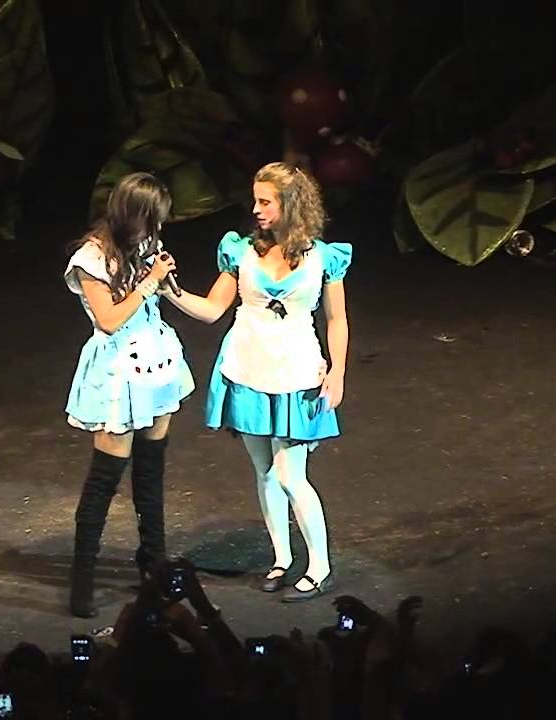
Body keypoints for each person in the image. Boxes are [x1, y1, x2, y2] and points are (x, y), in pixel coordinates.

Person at [162, 162, 351, 602]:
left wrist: (338, 370)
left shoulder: (324, 258)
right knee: (264, 471)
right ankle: (281, 558)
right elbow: (213, 310)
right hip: (247, 369)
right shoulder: (241, 251)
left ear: (291, 204)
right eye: (255, 200)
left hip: (297, 373)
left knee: (290, 475)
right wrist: (169, 290)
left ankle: (320, 568)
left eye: (266, 201)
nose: (256, 209)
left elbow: (337, 319)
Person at [63, 172, 195, 618]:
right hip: (118, 373)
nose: (155, 228)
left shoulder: (145, 243)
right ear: (131, 214)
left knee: (151, 473)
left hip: (156, 362)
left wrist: (165, 279)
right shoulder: (90, 258)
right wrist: (148, 281)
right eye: (151, 219)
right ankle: (82, 583)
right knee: (105, 480)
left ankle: (154, 566)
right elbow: (109, 320)